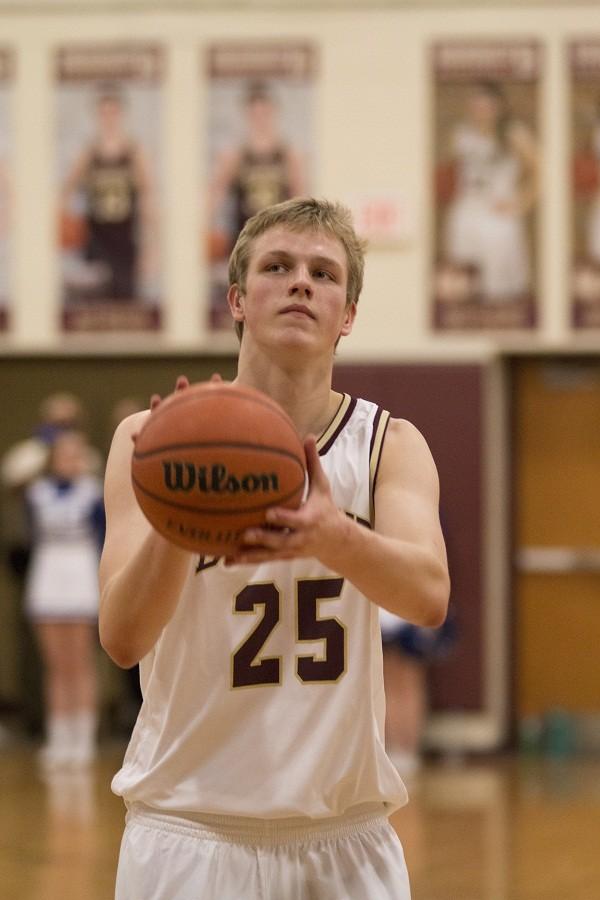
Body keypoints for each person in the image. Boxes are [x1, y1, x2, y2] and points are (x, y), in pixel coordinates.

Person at [100, 197, 450, 899]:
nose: (300, 283)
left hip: (343, 839)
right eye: (278, 267)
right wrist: (181, 515)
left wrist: (334, 535)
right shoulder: (151, 440)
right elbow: (123, 637)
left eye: (324, 273)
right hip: (188, 829)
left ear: (347, 314)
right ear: (238, 298)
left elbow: (429, 596)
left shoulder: (389, 444)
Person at [24, 429, 105, 770]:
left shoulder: (94, 493)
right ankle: (59, 738)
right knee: (56, 664)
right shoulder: (35, 493)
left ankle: (83, 738)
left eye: (76, 454)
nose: (70, 460)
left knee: (80, 661)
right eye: (63, 454)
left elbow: (104, 538)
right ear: (53, 459)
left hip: (81, 571)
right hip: (48, 572)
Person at [441, 80, 538, 303]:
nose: (481, 111)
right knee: (464, 281)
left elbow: (539, 171)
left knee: (499, 285)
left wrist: (522, 202)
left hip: (498, 214)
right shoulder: (460, 135)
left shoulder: (514, 134)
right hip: (467, 211)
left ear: (499, 106)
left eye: (486, 105)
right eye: (476, 105)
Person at [60, 88, 157, 303]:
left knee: (127, 303)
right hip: (96, 239)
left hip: (125, 239)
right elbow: (65, 192)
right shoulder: (88, 153)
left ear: (122, 115)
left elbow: (148, 200)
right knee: (95, 304)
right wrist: (65, 224)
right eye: (104, 113)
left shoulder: (134, 153)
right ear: (97, 116)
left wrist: (151, 247)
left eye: (113, 113)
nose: (109, 119)